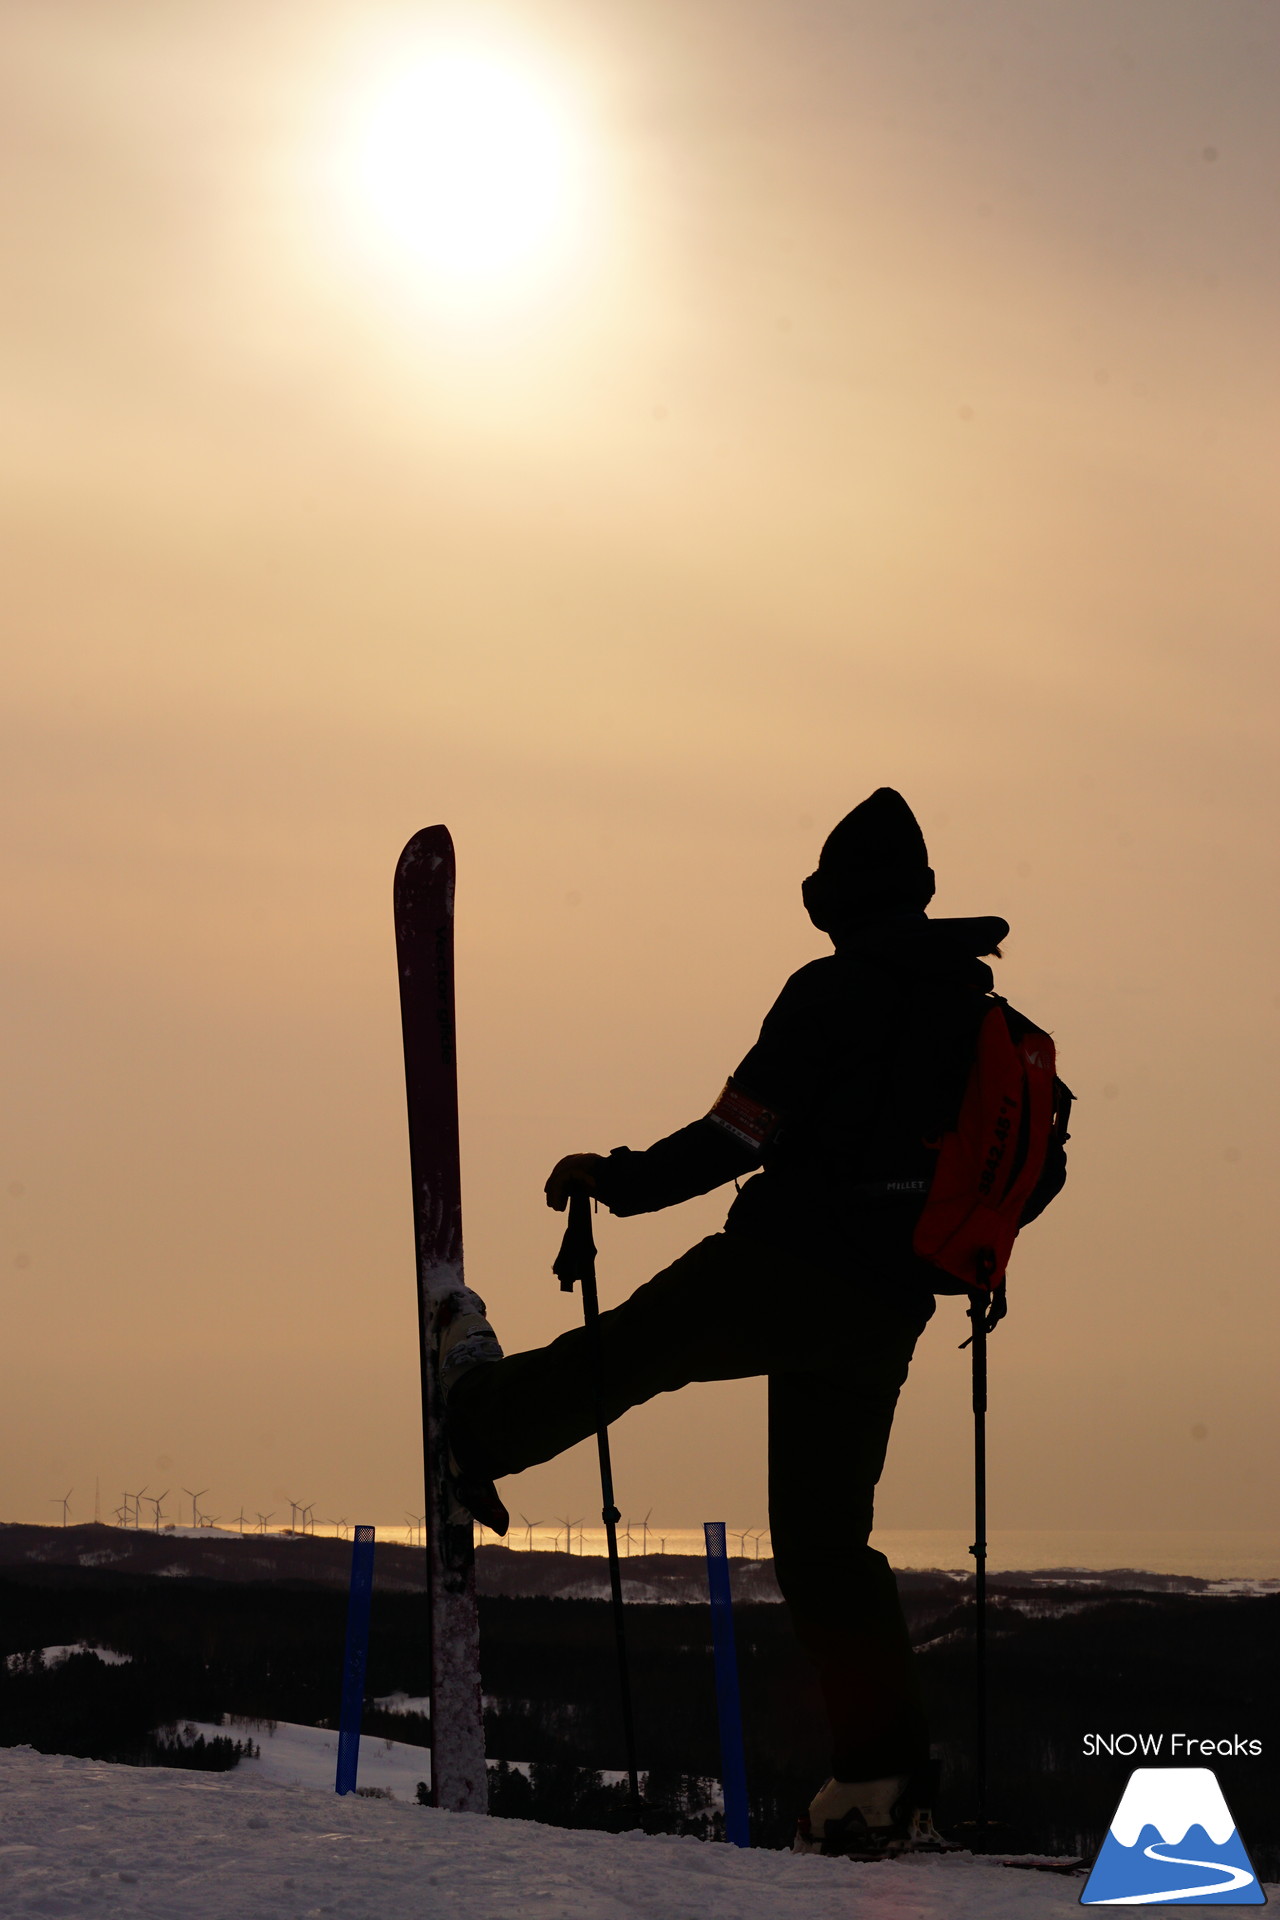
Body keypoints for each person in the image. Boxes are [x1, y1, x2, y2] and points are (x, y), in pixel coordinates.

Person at [442, 787, 1054, 1857]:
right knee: (827, 1543)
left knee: (633, 1350)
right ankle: (881, 1779)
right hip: (887, 1308)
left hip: (781, 1266)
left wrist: (614, 1181)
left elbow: (737, 1135)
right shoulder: (981, 1016)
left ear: (834, 903)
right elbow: (1034, 1172)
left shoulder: (828, 994)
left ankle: (478, 1426)